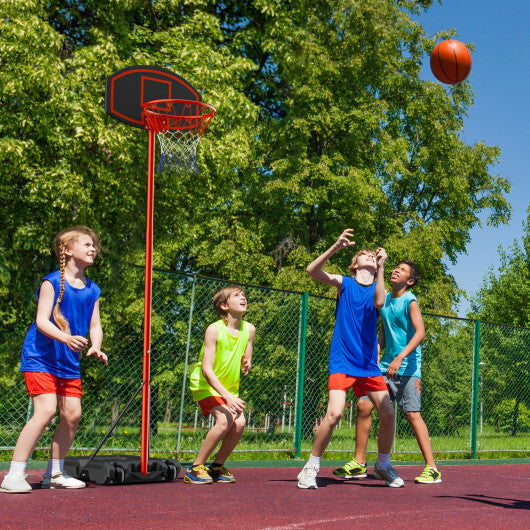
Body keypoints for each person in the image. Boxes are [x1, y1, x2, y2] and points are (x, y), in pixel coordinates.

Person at [0, 226, 107, 494]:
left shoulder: (93, 289)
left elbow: (95, 325)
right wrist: (67, 338)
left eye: (94, 244)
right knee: (46, 410)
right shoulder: (52, 282)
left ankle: (55, 473)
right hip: (41, 358)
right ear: (68, 250)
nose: (93, 248)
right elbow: (41, 321)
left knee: (73, 415)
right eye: (86, 244)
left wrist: (95, 345)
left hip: (68, 362)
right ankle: (14, 474)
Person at [297, 229, 404, 489]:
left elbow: (379, 301)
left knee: (388, 412)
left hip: (368, 364)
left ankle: (382, 464)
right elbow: (312, 270)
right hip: (343, 360)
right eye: (364, 254)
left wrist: (382, 267)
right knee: (333, 414)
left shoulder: (380, 288)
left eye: (372, 254)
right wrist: (335, 245)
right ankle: (310, 466)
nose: (369, 255)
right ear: (354, 264)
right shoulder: (344, 282)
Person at [333, 260, 442, 484]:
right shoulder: (384, 299)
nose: (395, 270)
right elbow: (384, 331)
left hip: (408, 367)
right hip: (384, 367)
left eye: (401, 270)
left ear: (409, 281)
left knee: (412, 415)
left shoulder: (410, 301)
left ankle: (432, 468)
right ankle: (359, 463)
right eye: (396, 268)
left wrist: (400, 357)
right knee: (364, 405)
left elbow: (420, 332)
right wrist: (377, 351)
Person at [185, 286, 256, 484]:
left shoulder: (249, 329)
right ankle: (195, 467)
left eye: (244, 295)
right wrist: (228, 397)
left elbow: (247, 355)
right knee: (225, 420)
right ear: (224, 306)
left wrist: (246, 364)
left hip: (229, 388)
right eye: (237, 296)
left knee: (239, 423)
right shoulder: (214, 330)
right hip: (206, 384)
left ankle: (216, 467)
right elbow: (207, 369)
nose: (243, 298)